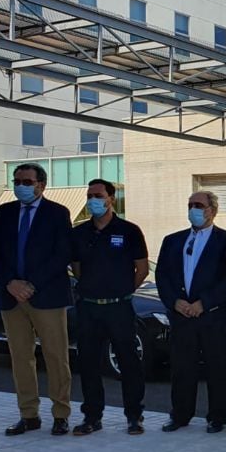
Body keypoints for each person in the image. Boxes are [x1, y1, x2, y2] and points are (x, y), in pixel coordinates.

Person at [0, 163, 74, 436]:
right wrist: (11, 282)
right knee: (21, 358)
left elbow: (62, 254)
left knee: (56, 356)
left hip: (46, 295)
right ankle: (29, 415)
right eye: (17, 180)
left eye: (26, 181)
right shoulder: (3, 213)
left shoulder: (58, 213)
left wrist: (31, 285)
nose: (20, 185)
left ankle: (60, 414)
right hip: (11, 296)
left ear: (41, 185)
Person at [70, 179, 149, 436]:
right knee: (89, 363)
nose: (93, 200)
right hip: (89, 308)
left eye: (98, 195)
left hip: (119, 308)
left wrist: (123, 291)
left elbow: (142, 269)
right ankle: (92, 417)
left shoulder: (129, 230)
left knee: (129, 362)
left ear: (111, 199)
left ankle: (134, 416)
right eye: (90, 195)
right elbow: (77, 268)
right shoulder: (79, 233)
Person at [155, 191, 226, 433]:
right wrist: (174, 302)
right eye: (190, 205)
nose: (193, 209)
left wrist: (204, 303)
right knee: (182, 367)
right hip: (182, 316)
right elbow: (162, 275)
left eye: (199, 205)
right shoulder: (173, 240)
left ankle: (218, 417)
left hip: (214, 315)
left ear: (212, 210)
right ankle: (180, 414)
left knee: (218, 367)